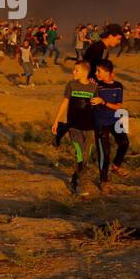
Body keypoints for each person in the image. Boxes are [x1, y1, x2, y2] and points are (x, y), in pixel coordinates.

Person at [52, 58, 101, 196]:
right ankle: (80, 185)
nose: (73, 72)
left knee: (85, 157)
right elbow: (64, 103)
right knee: (80, 155)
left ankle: (75, 178)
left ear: (85, 72)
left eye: (76, 70)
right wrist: (56, 120)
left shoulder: (94, 87)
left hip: (90, 128)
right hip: (74, 127)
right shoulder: (71, 85)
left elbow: (98, 106)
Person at [93, 58, 129, 183]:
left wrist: (103, 102)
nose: (96, 73)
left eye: (98, 71)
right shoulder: (96, 86)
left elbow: (118, 106)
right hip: (100, 123)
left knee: (124, 143)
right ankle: (104, 181)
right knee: (105, 154)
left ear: (108, 72)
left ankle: (116, 166)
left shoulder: (118, 86)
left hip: (115, 120)